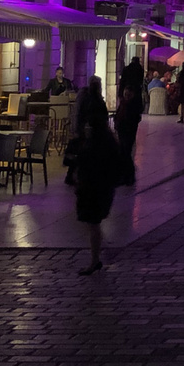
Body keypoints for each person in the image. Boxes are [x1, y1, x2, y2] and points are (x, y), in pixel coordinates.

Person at [74, 77, 120, 275]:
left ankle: (96, 257)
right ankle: (97, 254)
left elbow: (88, 163)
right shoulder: (108, 141)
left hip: (93, 187)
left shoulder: (94, 144)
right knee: (93, 223)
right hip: (101, 186)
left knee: (92, 222)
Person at [115, 58, 145, 185]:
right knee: (126, 149)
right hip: (130, 123)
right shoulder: (139, 71)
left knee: (124, 149)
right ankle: (128, 175)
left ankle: (126, 175)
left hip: (124, 124)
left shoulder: (127, 70)